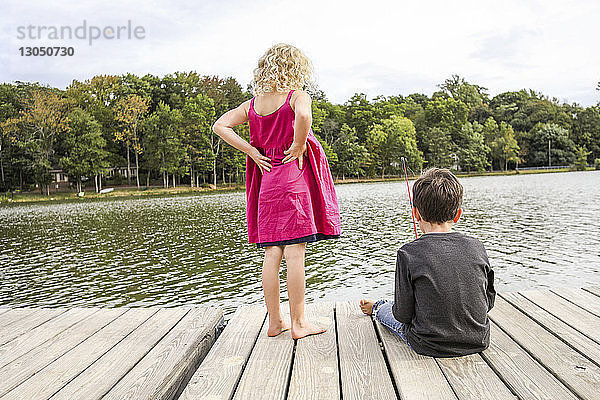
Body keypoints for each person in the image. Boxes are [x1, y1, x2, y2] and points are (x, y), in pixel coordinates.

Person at [212, 43, 341, 339]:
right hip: (292, 180)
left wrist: (252, 151)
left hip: (267, 182)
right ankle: (298, 324)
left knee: (272, 253)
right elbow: (305, 117)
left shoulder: (253, 104)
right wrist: (297, 144)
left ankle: (275, 322)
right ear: (297, 68)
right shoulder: (297, 97)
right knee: (295, 253)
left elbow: (221, 126)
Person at [360, 168, 496, 357]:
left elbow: (403, 316)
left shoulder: (407, 253)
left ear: (416, 214)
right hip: (478, 340)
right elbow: (488, 302)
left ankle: (377, 306)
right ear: (458, 215)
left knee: (386, 311)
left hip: (428, 344)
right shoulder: (477, 247)